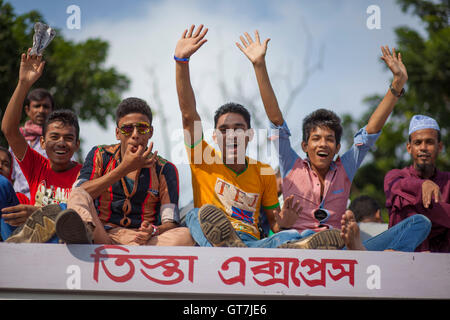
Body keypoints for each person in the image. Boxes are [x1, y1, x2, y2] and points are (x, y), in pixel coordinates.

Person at [238, 30, 430, 251]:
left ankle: (368, 256)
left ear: (338, 148)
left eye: (329, 139)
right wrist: (259, 65)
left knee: (419, 223)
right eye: (316, 138)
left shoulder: (345, 167)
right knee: (287, 235)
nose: (322, 144)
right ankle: (309, 245)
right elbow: (275, 120)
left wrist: (397, 84)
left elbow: (371, 131)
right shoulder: (290, 164)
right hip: (293, 241)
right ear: (304, 146)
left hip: (341, 249)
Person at [174, 24, 342, 249]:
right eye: (225, 129)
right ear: (215, 136)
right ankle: (234, 245)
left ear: (250, 135)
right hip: (212, 244)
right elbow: (188, 115)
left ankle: (295, 246)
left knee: (289, 235)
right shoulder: (202, 158)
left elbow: (274, 223)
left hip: (251, 246)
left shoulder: (263, 172)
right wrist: (181, 62)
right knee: (196, 214)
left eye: (239, 128)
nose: (232, 134)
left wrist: (283, 222)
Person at [54, 97, 195, 247]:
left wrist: (153, 230)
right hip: (102, 234)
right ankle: (84, 233)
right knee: (78, 192)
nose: (135, 134)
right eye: (127, 129)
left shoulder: (165, 169)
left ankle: (85, 238)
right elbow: (81, 192)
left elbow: (171, 222)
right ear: (117, 133)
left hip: (142, 242)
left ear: (150, 132)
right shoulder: (100, 154)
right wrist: (124, 168)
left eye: (142, 128)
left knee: (185, 236)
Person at [1, 49, 82, 243]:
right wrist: (24, 83)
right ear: (43, 143)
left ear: (77, 145)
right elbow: (9, 130)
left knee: (67, 212)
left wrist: (38, 211)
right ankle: (10, 248)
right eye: (54, 136)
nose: (61, 142)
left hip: (58, 241)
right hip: (23, 234)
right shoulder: (37, 165)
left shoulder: (84, 174)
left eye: (68, 138)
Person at [384, 115, 450, 252]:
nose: (423, 148)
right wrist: (422, 185)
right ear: (409, 148)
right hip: (402, 256)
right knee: (402, 199)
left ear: (440, 147)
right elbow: (396, 186)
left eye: (429, 142)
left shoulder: (448, 181)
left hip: (441, 258)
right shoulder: (395, 176)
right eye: (418, 143)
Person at [9, 87, 53, 199]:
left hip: (45, 200)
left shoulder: (55, 140)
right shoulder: (17, 138)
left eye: (46, 106)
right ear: (27, 110)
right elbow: (10, 174)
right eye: (37, 106)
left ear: (52, 111)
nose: (41, 110)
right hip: (18, 199)